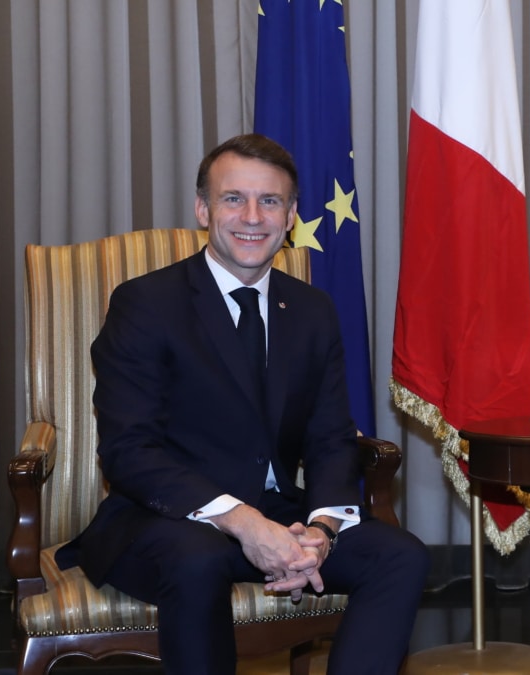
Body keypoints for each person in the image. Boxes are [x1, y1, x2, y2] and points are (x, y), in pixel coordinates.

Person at [56, 133, 429, 674]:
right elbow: (129, 450)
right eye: (234, 198)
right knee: (198, 559)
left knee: (402, 556)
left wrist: (321, 530)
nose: (252, 217)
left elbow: (329, 436)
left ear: (292, 215)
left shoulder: (311, 310)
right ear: (203, 209)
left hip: (280, 516)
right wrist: (245, 522)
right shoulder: (146, 304)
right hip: (165, 521)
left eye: (270, 201)